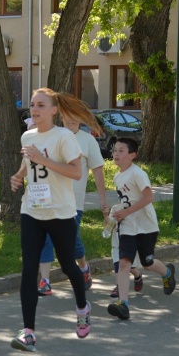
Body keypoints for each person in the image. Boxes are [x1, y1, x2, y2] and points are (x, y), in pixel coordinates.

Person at [9, 88, 93, 351]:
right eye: (32, 104)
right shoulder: (27, 135)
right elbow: (28, 163)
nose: (34, 109)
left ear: (54, 110)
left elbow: (76, 172)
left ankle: (82, 308)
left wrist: (43, 159)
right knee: (29, 270)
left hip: (60, 212)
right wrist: (19, 176)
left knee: (68, 265)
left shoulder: (64, 136)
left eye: (41, 105)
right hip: (32, 210)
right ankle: (28, 332)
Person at [37, 106, 109, 296]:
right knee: (46, 238)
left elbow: (98, 170)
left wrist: (103, 200)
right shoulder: (51, 137)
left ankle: (83, 268)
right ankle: (45, 281)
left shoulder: (88, 140)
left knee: (69, 240)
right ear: (61, 117)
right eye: (68, 115)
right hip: (49, 199)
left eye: (76, 115)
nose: (72, 119)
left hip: (73, 202)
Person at [107, 137, 177, 321]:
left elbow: (148, 197)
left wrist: (127, 211)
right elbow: (126, 200)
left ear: (132, 155)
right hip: (128, 227)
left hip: (145, 226)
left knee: (147, 263)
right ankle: (123, 304)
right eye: (114, 150)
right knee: (124, 263)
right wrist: (118, 213)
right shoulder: (117, 177)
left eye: (121, 151)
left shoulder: (138, 174)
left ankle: (167, 273)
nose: (116, 154)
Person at [109, 230, 144, 298]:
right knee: (117, 265)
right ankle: (119, 287)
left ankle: (138, 276)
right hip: (117, 242)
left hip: (129, 240)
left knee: (130, 267)